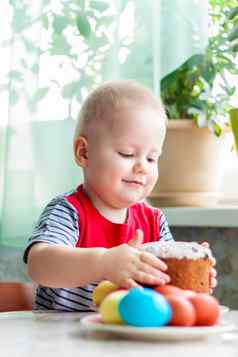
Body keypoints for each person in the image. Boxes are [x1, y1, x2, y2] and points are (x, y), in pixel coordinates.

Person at [23, 80, 216, 312]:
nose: (142, 167)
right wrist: (104, 263)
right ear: (84, 153)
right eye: (127, 153)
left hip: (131, 339)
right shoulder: (68, 211)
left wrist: (190, 276)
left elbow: (164, 284)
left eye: (152, 158)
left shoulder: (154, 221)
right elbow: (40, 265)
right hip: (64, 339)